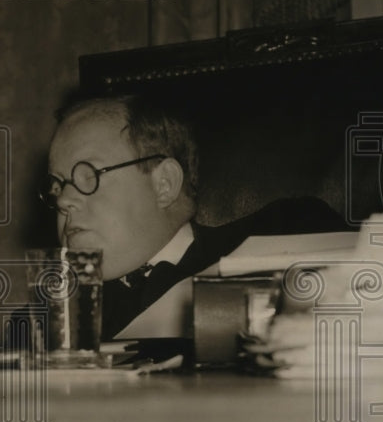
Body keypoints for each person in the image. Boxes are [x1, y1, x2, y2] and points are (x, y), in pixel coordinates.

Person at [41, 94, 348, 342]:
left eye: (88, 176)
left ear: (164, 184)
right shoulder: (51, 321)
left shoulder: (286, 232)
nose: (64, 200)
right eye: (57, 185)